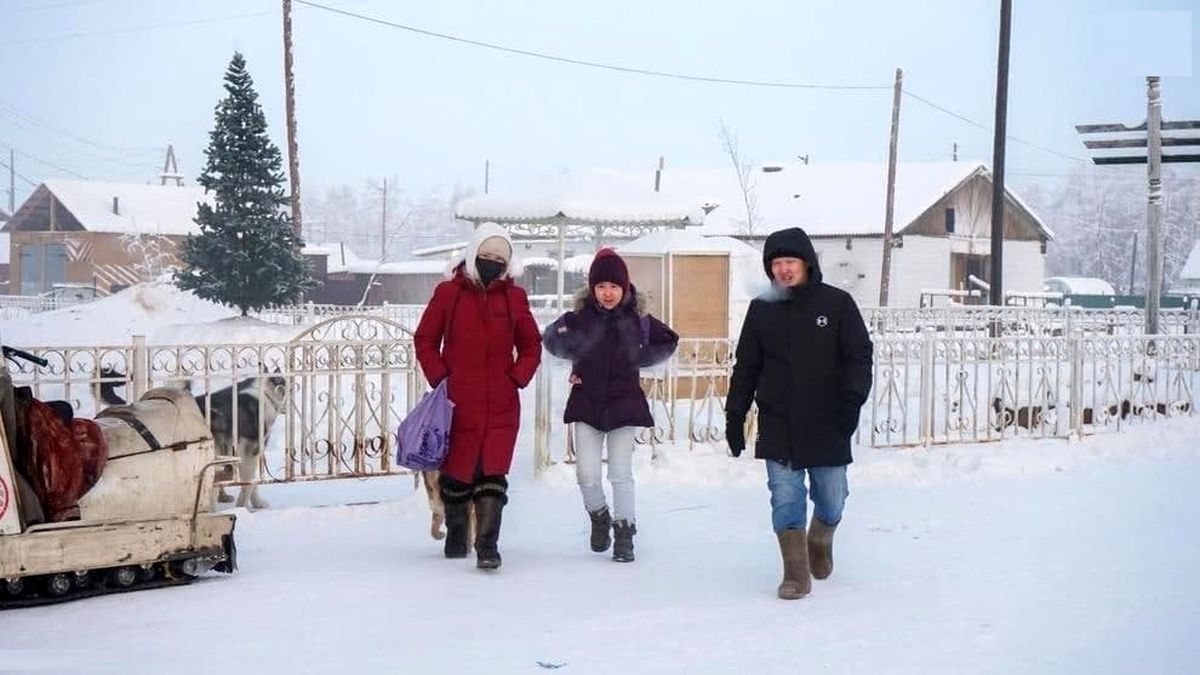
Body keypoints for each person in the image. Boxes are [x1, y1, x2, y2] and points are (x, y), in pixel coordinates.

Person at [725, 227, 873, 599]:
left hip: (828, 420)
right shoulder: (761, 309)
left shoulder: (836, 305)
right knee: (785, 496)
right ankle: (795, 573)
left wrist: (851, 402)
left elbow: (859, 357)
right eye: (776, 263)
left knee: (832, 497)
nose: (783, 269)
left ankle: (821, 537)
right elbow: (746, 367)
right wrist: (735, 414)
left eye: (790, 261)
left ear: (806, 262)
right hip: (779, 421)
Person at [413, 223, 542, 570]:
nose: (491, 263)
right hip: (458, 402)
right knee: (457, 475)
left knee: (492, 474)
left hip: (501, 402)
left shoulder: (514, 298)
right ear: (472, 256)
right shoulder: (448, 294)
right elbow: (425, 339)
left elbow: (531, 345)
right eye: (485, 256)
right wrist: (442, 377)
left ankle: (488, 546)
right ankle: (457, 535)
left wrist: (517, 377)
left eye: (498, 259)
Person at [542, 248, 678, 562]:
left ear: (624, 287)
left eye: (614, 286)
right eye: (601, 286)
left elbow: (669, 339)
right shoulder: (579, 319)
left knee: (620, 473)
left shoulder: (638, 319)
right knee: (586, 475)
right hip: (587, 405)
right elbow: (550, 338)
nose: (608, 293)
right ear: (592, 288)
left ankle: (625, 534)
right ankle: (599, 516)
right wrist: (571, 357)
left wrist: (640, 358)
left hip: (623, 405)